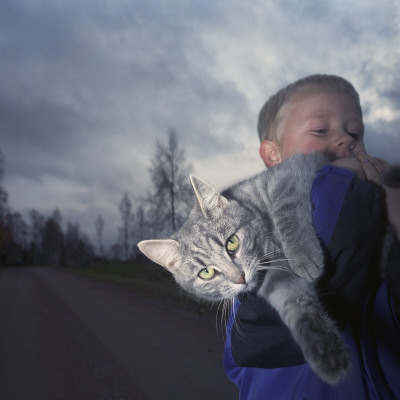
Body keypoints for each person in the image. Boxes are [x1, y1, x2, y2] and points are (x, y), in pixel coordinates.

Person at [223, 74, 400, 399]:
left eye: (355, 132)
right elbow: (258, 335)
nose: (346, 140)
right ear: (273, 155)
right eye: (321, 129)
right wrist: (340, 183)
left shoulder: (377, 228)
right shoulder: (256, 241)